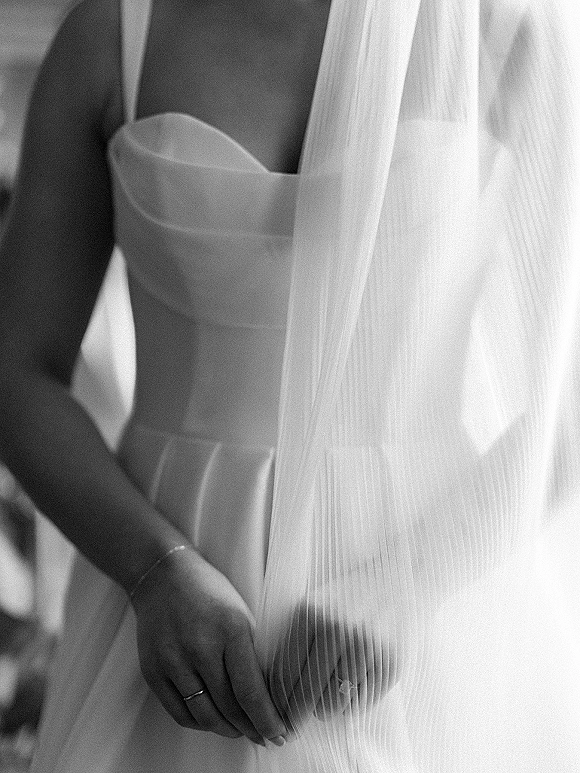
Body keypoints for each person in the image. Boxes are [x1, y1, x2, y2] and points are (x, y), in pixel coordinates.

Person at [1, 0, 580, 771]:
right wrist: (154, 568)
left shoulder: (511, 29)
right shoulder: (109, 37)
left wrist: (409, 583)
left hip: (430, 595)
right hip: (164, 604)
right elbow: (18, 369)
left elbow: (568, 398)